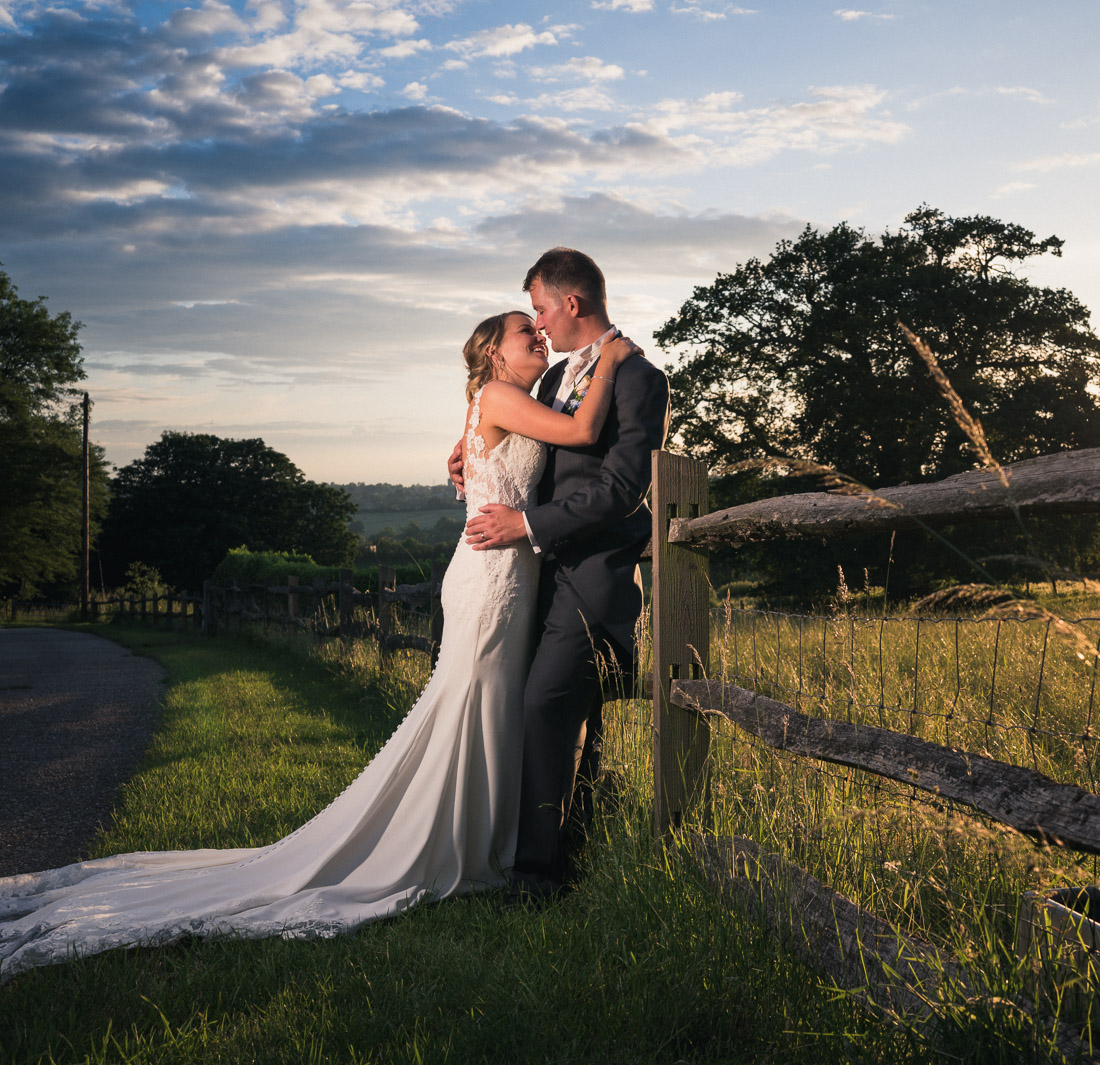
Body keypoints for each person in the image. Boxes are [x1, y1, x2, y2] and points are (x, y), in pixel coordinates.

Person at [0, 312, 638, 982]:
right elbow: (583, 431)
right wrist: (616, 356)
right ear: (492, 353)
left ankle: (485, 841)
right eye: (521, 332)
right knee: (473, 705)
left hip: (504, 576)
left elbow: (512, 460)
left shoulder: (507, 401)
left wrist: (462, 462)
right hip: (492, 583)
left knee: (489, 708)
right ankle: (457, 846)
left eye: (537, 329)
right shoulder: (503, 395)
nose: (536, 335)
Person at [451, 247, 670, 903]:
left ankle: (536, 877)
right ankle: (556, 856)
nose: (539, 324)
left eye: (541, 308)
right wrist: (468, 451)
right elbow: (521, 438)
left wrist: (529, 526)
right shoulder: (549, 383)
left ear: (570, 303)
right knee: (556, 714)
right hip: (538, 582)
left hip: (596, 577)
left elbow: (622, 489)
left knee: (548, 705)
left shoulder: (639, 378)